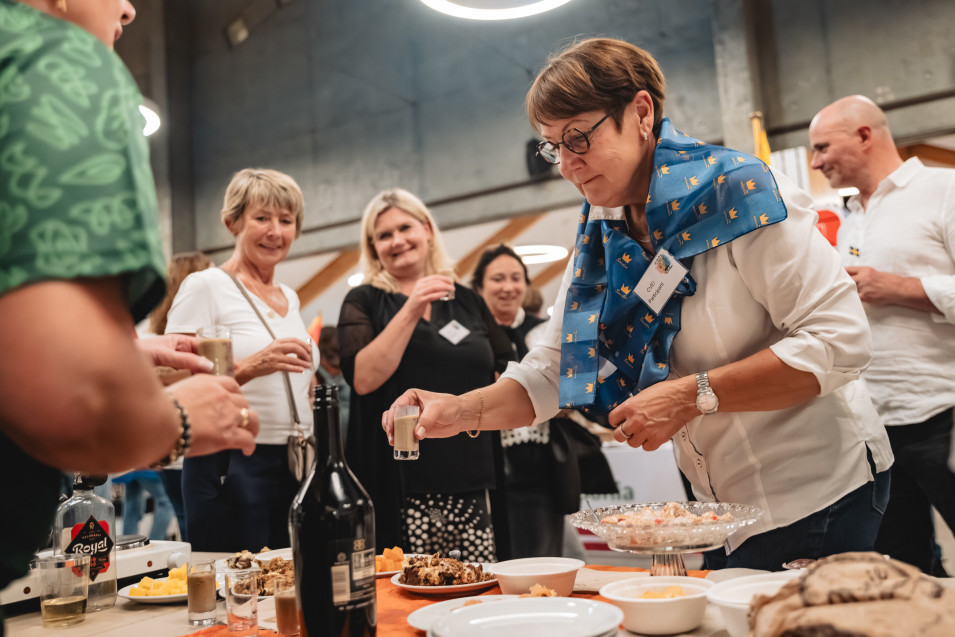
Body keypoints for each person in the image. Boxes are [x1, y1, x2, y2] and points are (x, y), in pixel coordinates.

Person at [384, 38, 894, 571]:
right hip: (718, 506)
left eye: (578, 138)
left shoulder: (738, 193)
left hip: (816, 489)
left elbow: (840, 341)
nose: (566, 165)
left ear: (642, 113)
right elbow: (558, 366)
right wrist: (460, 410)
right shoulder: (602, 233)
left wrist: (690, 396)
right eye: (553, 147)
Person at [0, 0, 258, 618]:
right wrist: (181, 422)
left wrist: (118, 346)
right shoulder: (54, 58)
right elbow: (80, 403)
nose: (130, 8)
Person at [809, 95, 955, 576]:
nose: (816, 162)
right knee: (905, 567)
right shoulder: (849, 220)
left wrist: (902, 288)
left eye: (822, 147)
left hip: (943, 412)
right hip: (875, 426)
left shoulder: (944, 191)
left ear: (864, 135)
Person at [337, 188, 513, 561]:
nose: (397, 240)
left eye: (405, 228)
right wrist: (412, 306)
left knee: (477, 580)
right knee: (413, 580)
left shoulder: (467, 300)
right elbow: (363, 379)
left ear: (427, 230)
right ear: (373, 247)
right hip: (402, 480)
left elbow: (506, 364)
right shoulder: (364, 300)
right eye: (384, 235)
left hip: (472, 471)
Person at [165, 168, 315, 552]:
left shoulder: (290, 296)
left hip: (295, 459)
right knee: (236, 579)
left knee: (291, 576)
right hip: (231, 460)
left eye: (286, 220)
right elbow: (170, 380)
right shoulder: (206, 286)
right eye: (262, 218)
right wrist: (253, 365)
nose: (275, 231)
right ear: (232, 222)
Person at [471, 244, 615, 557]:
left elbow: (569, 382)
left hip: (541, 465)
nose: (508, 287)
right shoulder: (472, 340)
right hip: (486, 463)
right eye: (497, 279)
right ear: (479, 287)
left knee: (543, 554)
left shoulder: (544, 333)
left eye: (516, 278)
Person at [141, 251, 214, 541]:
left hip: (169, 448)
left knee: (185, 520)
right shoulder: (172, 342)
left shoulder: (150, 336)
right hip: (185, 445)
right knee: (193, 525)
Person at [315, 325, 351, 444]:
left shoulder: (349, 379)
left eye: (342, 367)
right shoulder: (313, 379)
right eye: (334, 366)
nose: (339, 372)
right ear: (321, 358)